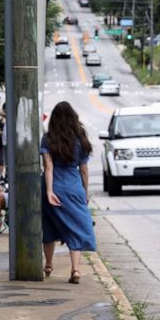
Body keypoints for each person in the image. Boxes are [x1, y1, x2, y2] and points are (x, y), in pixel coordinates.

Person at [41, 101, 95, 283]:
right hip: (74, 186)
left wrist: (49, 191)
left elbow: (48, 166)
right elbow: (84, 170)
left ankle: (48, 265)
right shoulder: (81, 140)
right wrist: (84, 192)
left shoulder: (48, 139)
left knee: (48, 226)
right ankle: (76, 269)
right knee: (76, 227)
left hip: (54, 185)